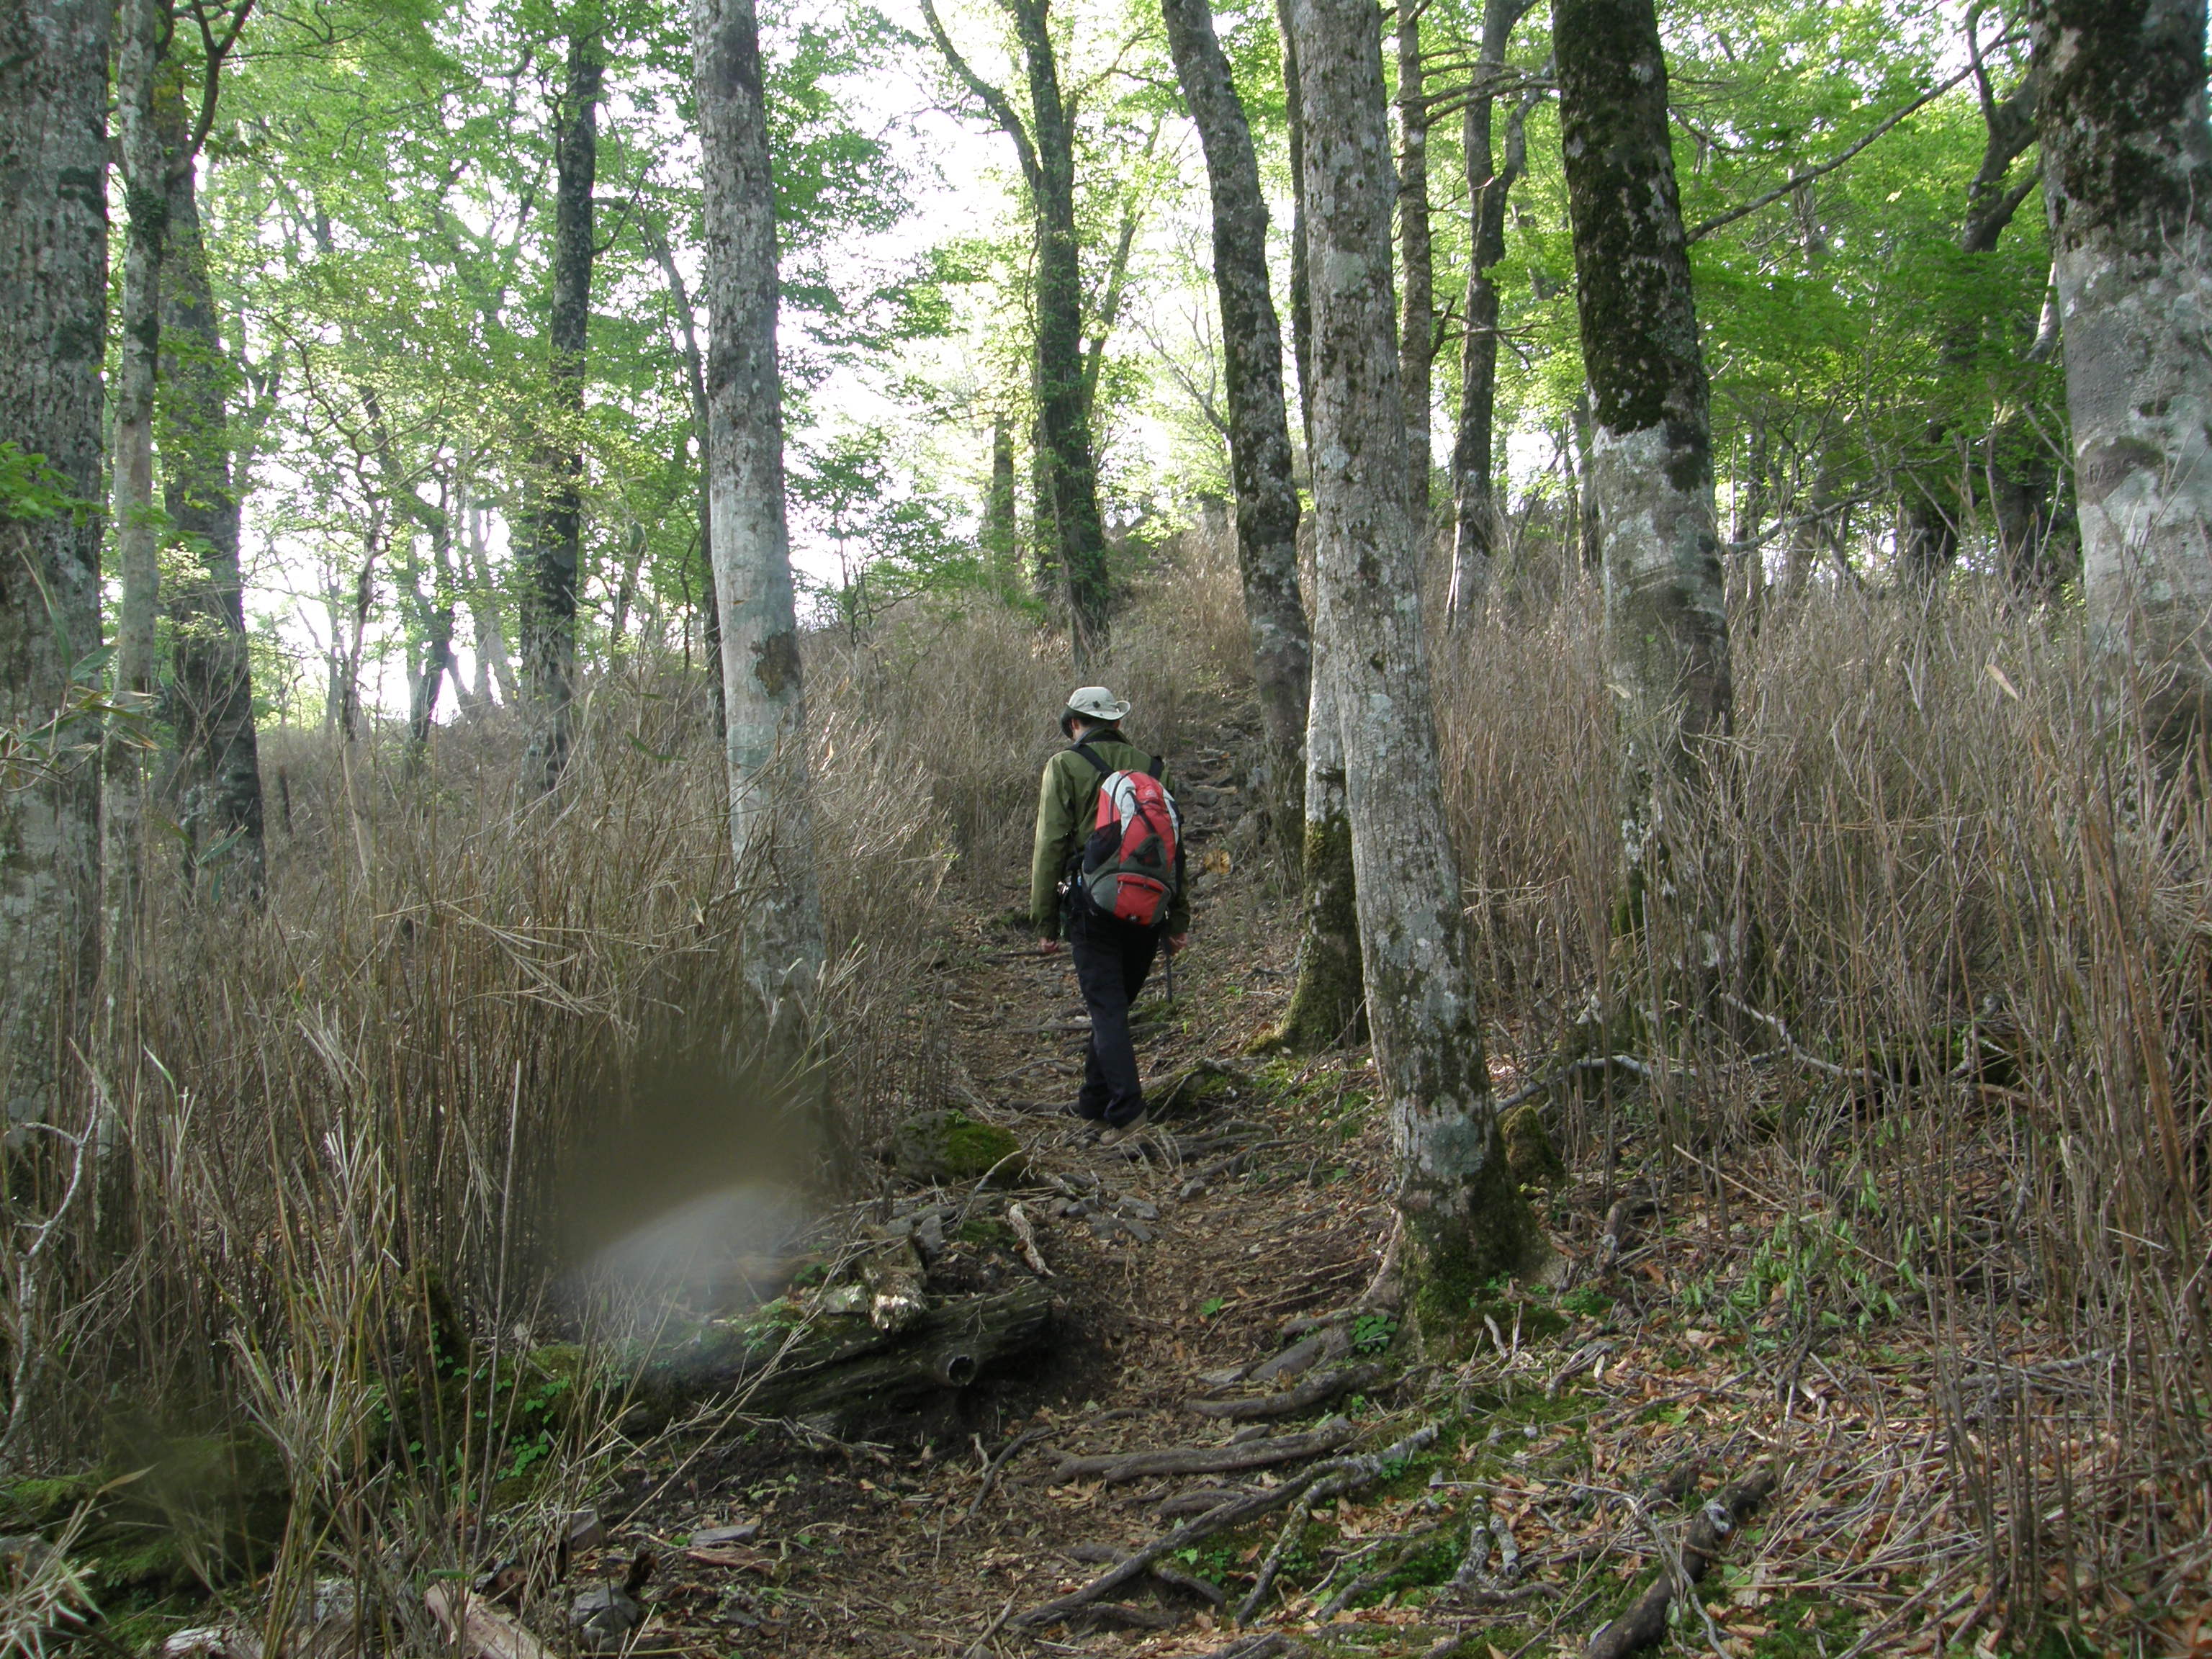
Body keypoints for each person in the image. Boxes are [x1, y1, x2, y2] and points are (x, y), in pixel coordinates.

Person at [1029, 686, 1190, 1144]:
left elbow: (1050, 847)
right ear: (1117, 722)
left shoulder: (1065, 765)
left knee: (1106, 1007)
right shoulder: (1154, 769)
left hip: (1092, 905)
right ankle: (1093, 1102)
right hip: (1150, 904)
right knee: (1113, 1007)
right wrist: (1178, 920)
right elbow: (1176, 851)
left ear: (1076, 724)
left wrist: (1044, 921)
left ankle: (1129, 1115)